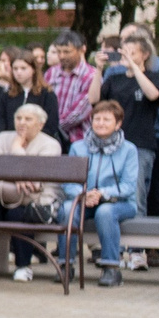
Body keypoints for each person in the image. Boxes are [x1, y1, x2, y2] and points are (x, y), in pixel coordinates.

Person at [0, 102, 64, 281]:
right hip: (0, 196)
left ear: (40, 124)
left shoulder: (50, 145)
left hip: (34, 201)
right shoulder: (2, 138)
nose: (22, 122)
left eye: (28, 119)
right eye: (18, 118)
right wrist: (18, 177)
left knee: (17, 213)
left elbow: (37, 179)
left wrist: (16, 149)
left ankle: (23, 266)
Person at [59, 98, 142, 287]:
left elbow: (129, 186)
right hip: (85, 199)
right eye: (97, 119)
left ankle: (111, 268)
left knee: (105, 212)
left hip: (119, 203)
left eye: (106, 119)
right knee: (67, 209)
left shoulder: (129, 149)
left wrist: (102, 194)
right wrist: (84, 194)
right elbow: (69, 183)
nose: (101, 123)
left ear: (118, 124)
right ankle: (65, 265)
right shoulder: (78, 147)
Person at [100, 30, 159, 218]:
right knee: (109, 192)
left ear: (145, 55)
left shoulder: (153, 76)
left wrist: (135, 67)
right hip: (113, 144)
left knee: (136, 195)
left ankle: (136, 237)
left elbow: (153, 95)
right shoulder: (114, 79)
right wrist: (98, 70)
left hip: (141, 145)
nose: (126, 56)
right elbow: (95, 100)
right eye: (124, 51)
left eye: (132, 52)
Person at [46, 30, 97, 143]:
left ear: (80, 50)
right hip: (50, 137)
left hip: (79, 139)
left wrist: (52, 126)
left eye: (67, 52)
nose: (62, 56)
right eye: (59, 52)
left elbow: (78, 113)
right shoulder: (51, 73)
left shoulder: (90, 75)